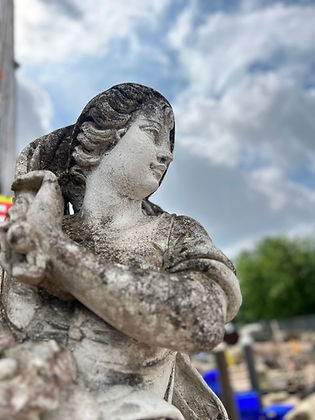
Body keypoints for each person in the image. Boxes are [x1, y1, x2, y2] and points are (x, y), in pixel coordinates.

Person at [0, 83, 241, 420]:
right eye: (152, 133)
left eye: (169, 142)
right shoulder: (36, 235)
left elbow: (202, 317)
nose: (167, 153)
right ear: (101, 136)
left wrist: (60, 256)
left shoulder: (173, 234)